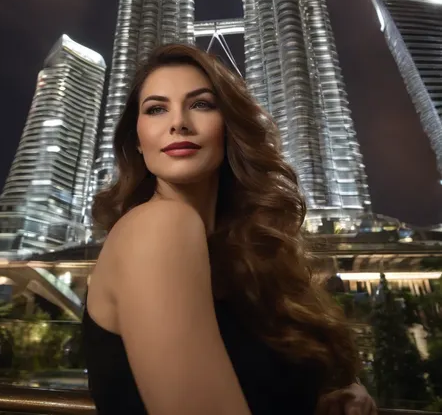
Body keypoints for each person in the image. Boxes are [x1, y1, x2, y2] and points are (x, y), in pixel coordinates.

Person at [83, 43, 377, 415]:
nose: (178, 123)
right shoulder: (159, 225)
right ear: (138, 142)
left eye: (201, 104)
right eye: (156, 109)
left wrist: (318, 399)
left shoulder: (241, 258)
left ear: (230, 127)